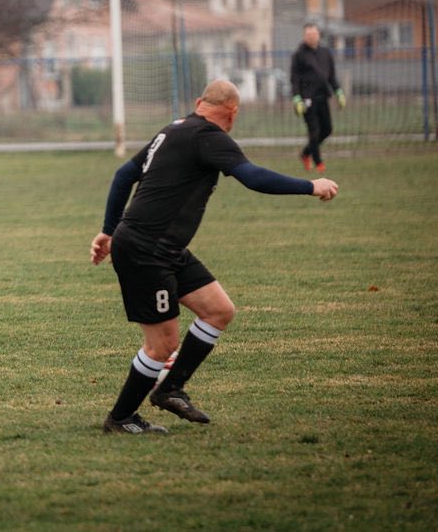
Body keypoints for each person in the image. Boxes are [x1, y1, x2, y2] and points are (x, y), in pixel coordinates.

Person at [90, 80, 339, 435]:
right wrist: (310, 186)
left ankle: (170, 389)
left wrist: (109, 230)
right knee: (162, 344)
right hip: (147, 250)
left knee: (219, 310)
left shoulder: (173, 130)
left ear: (199, 102)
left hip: (164, 247)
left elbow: (123, 175)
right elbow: (252, 177)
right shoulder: (210, 136)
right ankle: (121, 418)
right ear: (233, 113)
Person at [290, 23, 346, 173]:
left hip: (323, 97)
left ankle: (305, 153)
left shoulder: (325, 53)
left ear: (318, 35)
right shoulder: (299, 55)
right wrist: (297, 98)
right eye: (308, 35)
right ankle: (319, 163)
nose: (311, 37)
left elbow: (331, 76)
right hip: (307, 100)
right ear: (304, 36)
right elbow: (294, 79)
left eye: (314, 34)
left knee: (327, 129)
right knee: (314, 132)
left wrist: (338, 92)